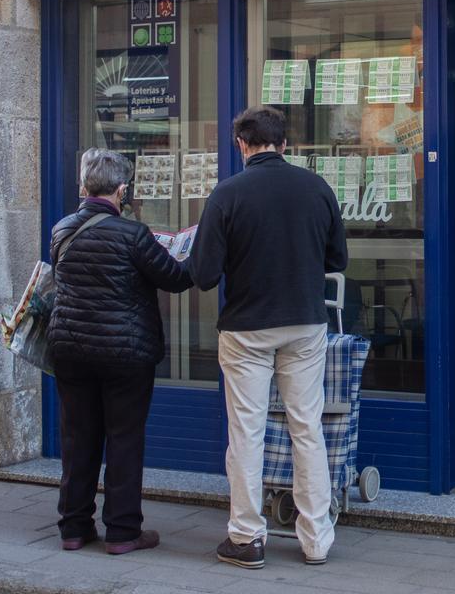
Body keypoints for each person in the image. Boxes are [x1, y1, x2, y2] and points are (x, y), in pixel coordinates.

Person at [188, 105, 348, 569]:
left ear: (242, 144)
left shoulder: (227, 194)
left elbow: (202, 274)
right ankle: (317, 538)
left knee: (247, 432)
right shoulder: (317, 188)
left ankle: (246, 537)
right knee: (307, 427)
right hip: (304, 321)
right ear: (285, 143)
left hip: (246, 329)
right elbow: (337, 259)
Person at [48, 148, 192, 555]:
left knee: (78, 439)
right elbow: (176, 278)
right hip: (124, 353)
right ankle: (123, 531)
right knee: (124, 438)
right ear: (122, 190)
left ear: (83, 187)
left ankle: (74, 529)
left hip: (71, 350)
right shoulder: (133, 235)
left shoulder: (61, 229)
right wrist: (188, 251)